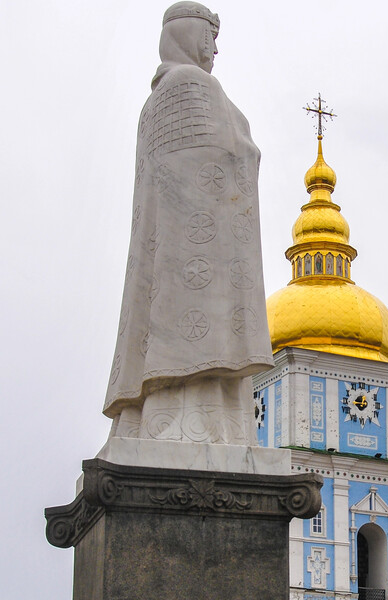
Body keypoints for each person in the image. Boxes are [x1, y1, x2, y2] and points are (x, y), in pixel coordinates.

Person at [104, 2, 272, 445]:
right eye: (209, 38)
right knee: (195, 342)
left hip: (176, 249)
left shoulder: (155, 100)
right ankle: (202, 422)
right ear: (187, 35)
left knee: (168, 330)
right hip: (201, 250)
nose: (214, 49)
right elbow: (225, 154)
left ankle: (160, 418)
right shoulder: (192, 85)